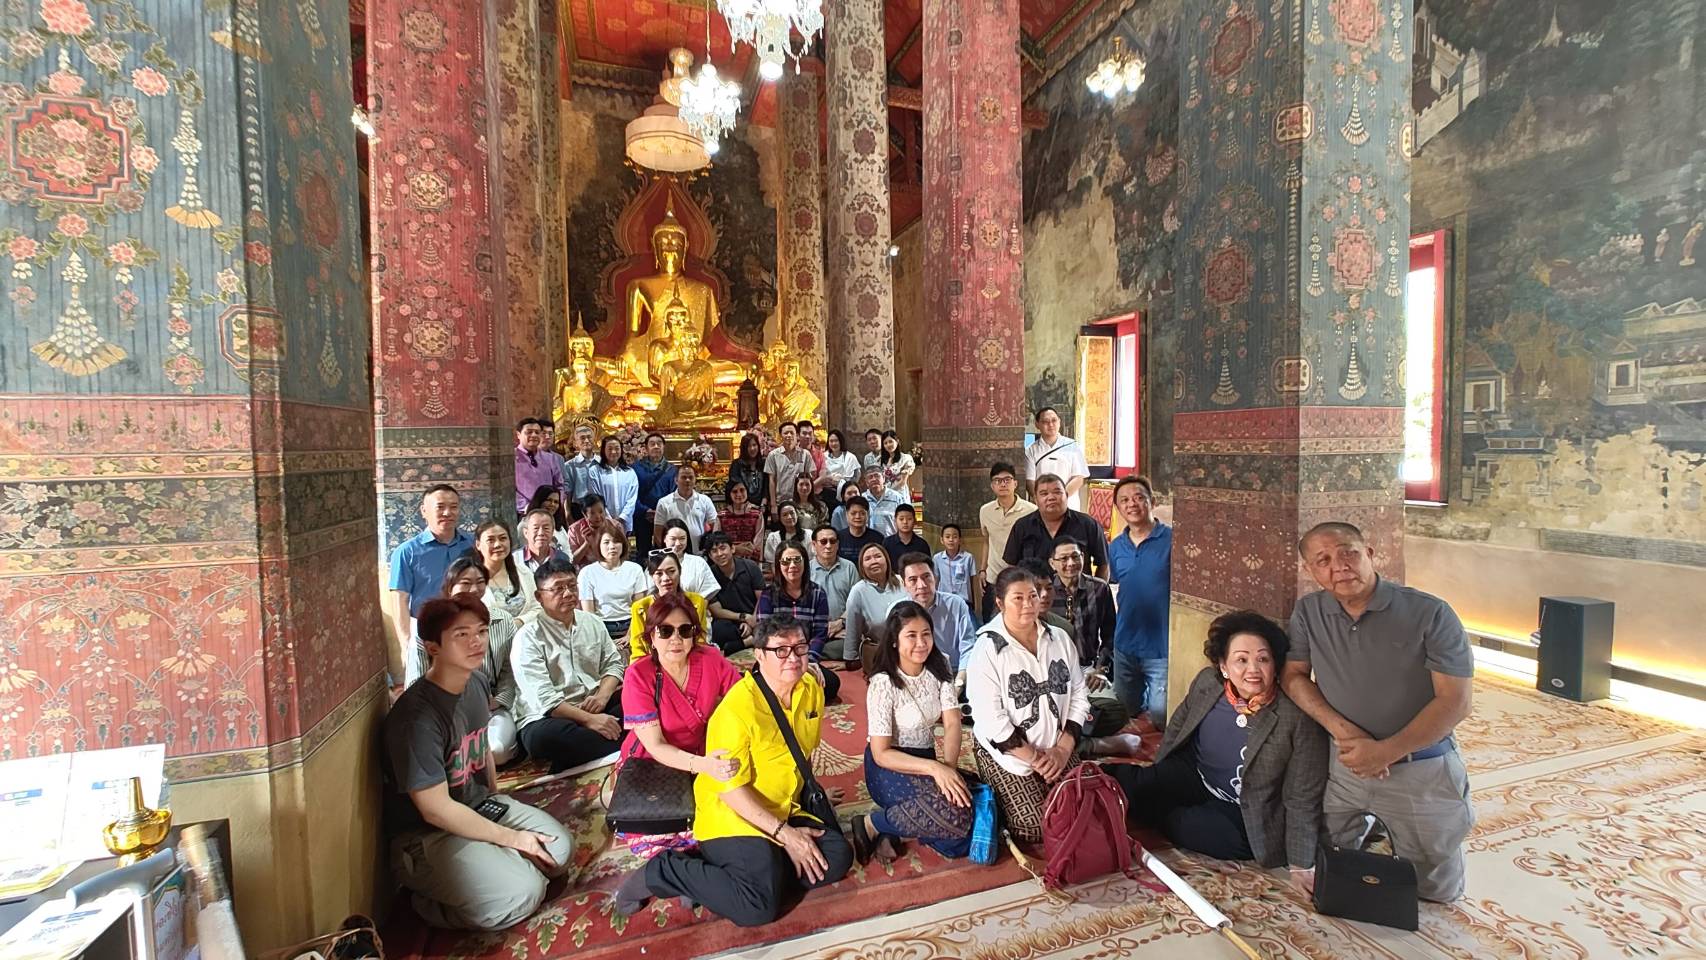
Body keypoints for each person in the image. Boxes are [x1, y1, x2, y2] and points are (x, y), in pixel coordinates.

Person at [612, 614, 853, 925]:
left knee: (837, 856)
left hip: (782, 806)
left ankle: (740, 876)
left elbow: (802, 755)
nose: (793, 658)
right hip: (732, 816)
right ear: (759, 655)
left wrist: (809, 795)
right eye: (781, 650)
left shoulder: (810, 689)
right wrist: (787, 836)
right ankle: (664, 870)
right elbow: (731, 792)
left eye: (800, 648)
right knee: (758, 907)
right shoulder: (736, 711)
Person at [1283, 522, 1475, 902]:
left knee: (1434, 888)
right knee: (1334, 863)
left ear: (1369, 554)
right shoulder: (1309, 612)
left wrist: (1386, 751)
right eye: (1323, 560)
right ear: (1310, 570)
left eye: (1348, 553)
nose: (1339, 566)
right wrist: (1344, 732)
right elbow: (1293, 676)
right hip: (1346, 762)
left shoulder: (1430, 613)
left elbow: (1456, 701)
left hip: (1420, 768)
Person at [383, 594, 572, 930]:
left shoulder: (476, 682)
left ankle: (493, 861)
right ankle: (426, 903)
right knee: (524, 893)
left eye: (482, 631)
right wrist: (512, 838)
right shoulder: (416, 719)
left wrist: (498, 798)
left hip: (477, 805)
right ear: (432, 647)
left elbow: (480, 744)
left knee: (559, 854)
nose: (477, 642)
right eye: (462, 634)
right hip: (428, 833)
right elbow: (435, 810)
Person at [1112, 610, 1328, 891]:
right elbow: (1179, 724)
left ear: (1275, 664)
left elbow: (1303, 795)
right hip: (1197, 774)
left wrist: (1301, 864)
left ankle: (1158, 812)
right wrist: (1160, 771)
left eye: (1263, 659)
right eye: (1242, 660)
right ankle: (1102, 789)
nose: (1253, 669)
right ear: (1224, 666)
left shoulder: (1297, 717)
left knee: (1209, 833)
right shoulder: (1208, 683)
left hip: (1245, 809)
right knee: (1130, 783)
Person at [965, 566, 1090, 845]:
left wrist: (1062, 749)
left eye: (1033, 596)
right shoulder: (987, 649)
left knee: (1083, 809)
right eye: (1018, 598)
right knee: (1035, 826)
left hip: (1057, 746)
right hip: (1010, 753)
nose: (1028, 604)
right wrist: (1034, 759)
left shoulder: (1059, 638)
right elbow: (991, 720)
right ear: (1000, 603)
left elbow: (1079, 694)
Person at [612, 593, 745, 855]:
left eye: (685, 630)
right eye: (665, 631)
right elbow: (656, 745)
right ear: (651, 637)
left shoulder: (710, 659)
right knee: (665, 833)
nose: (676, 639)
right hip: (653, 762)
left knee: (734, 819)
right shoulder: (638, 675)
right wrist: (705, 766)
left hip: (702, 753)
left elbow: (744, 698)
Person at [853, 601, 973, 864]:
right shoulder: (883, 683)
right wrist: (935, 769)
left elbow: (952, 724)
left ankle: (887, 826)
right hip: (889, 767)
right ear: (894, 641)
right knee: (958, 823)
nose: (921, 643)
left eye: (926, 634)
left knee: (964, 808)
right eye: (911, 635)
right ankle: (872, 823)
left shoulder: (940, 665)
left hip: (926, 758)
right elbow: (881, 753)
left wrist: (948, 769)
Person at [511, 560, 626, 773]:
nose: (568, 593)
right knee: (543, 739)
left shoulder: (592, 622)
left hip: (593, 702)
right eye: (558, 588)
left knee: (641, 698)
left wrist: (602, 697)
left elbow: (614, 664)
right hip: (551, 716)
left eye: (572, 586)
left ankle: (593, 745)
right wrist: (590, 720)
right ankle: (625, 739)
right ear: (539, 596)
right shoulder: (527, 636)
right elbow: (545, 700)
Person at [388, 484, 475, 687]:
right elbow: (400, 599)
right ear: (424, 511)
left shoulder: (472, 544)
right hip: (425, 633)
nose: (447, 513)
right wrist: (406, 643)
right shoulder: (406, 552)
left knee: (467, 687)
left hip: (467, 628)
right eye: (440, 507)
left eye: (453, 507)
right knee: (423, 691)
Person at [1106, 475, 1173, 726]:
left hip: (1160, 647)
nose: (1131, 504)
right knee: (1124, 711)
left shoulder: (1172, 540)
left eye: (1138, 498)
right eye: (1124, 500)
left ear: (1152, 501)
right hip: (1126, 642)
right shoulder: (1116, 546)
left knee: (1161, 716)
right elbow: (1117, 583)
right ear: (1118, 508)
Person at [442, 558, 522, 765]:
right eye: (465, 583)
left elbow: (510, 672)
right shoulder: (432, 625)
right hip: (446, 712)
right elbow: (417, 681)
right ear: (450, 586)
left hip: (492, 708)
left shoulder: (502, 620)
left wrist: (497, 701)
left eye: (480, 582)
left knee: (496, 751)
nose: (474, 589)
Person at [755, 540, 840, 703]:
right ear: (778, 565)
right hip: (777, 656)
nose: (792, 565)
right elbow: (763, 634)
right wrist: (785, 658)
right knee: (760, 683)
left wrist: (808, 661)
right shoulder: (768, 594)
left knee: (831, 684)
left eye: (797, 560)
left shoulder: (818, 593)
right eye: (786, 561)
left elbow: (819, 634)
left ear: (805, 563)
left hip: (803, 655)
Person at [1003, 473, 1108, 578]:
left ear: (1066, 495)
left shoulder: (1089, 525)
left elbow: (1103, 565)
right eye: (1044, 494)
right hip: (1034, 588)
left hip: (1077, 588)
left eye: (1057, 492)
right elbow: (1011, 567)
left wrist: (1095, 588)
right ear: (1036, 499)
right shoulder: (1022, 526)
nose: (1051, 497)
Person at [897, 553, 978, 676]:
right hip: (914, 674)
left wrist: (961, 679)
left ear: (935, 578)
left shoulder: (956, 604)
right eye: (913, 580)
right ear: (904, 584)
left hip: (954, 672)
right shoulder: (897, 610)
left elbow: (968, 645)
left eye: (926, 577)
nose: (922, 585)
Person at [978, 462, 1037, 621]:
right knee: (990, 621)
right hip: (993, 577)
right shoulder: (985, 511)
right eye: (998, 481)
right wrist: (982, 570)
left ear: (1015, 483)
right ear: (992, 486)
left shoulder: (1031, 510)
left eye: (1007, 480)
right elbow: (986, 540)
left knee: (1020, 620)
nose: (1003, 484)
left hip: (1021, 577)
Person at [627, 550, 712, 660]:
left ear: (680, 571)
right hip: (652, 662)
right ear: (652, 576)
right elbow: (638, 649)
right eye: (659, 573)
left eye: (671, 571)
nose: (666, 578)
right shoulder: (640, 607)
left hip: (690, 660)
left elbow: (700, 640)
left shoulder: (696, 601)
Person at [1049, 539, 1115, 675]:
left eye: (1075, 556)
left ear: (1083, 557)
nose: (1071, 563)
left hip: (1089, 666)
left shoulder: (1100, 588)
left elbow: (1111, 633)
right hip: (1053, 668)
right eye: (1063, 558)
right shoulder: (1045, 591)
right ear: (1052, 563)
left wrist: (1101, 667)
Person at [845, 542, 907, 673]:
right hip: (880, 656)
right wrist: (851, 659)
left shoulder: (903, 581)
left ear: (886, 560)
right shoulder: (858, 591)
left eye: (878, 556)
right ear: (862, 566)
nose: (874, 561)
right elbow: (853, 628)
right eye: (868, 559)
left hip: (910, 651)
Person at [580, 528, 650, 640]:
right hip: (601, 626)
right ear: (598, 545)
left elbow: (639, 608)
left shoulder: (635, 569)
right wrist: (604, 640)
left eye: (616, 541)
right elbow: (589, 614)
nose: (612, 546)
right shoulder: (587, 572)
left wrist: (629, 635)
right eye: (606, 542)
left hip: (631, 624)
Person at [705, 532, 766, 654]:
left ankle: (740, 644)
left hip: (756, 616)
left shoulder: (750, 566)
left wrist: (752, 620)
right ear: (710, 556)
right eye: (714, 551)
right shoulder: (709, 575)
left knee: (771, 626)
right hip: (732, 620)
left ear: (732, 549)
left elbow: (762, 598)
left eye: (723, 548)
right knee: (717, 630)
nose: (720, 554)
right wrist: (743, 618)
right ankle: (750, 640)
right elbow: (716, 611)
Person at [808, 526, 859, 662]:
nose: (828, 546)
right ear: (814, 545)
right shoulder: (805, 570)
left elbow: (856, 603)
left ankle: (812, 653)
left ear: (838, 544)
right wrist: (821, 628)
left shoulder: (849, 567)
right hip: (813, 630)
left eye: (832, 541)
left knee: (854, 644)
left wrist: (841, 622)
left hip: (842, 630)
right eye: (823, 541)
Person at [1025, 407, 1089, 513]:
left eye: (1054, 420)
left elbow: (1079, 478)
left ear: (1059, 422)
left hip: (1069, 505)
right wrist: (1040, 499)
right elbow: (1030, 481)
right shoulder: (1031, 450)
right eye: (1045, 421)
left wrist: (1061, 497)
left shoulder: (1072, 446)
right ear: (1037, 424)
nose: (1050, 424)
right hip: (1043, 507)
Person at [473, 519, 537, 623]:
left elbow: (537, 607)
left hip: (526, 631)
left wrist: (520, 621)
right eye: (491, 540)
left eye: (503, 538)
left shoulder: (524, 572)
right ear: (478, 545)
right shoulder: (472, 579)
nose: (497, 544)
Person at [654, 461, 718, 552]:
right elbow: (658, 532)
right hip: (674, 553)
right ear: (676, 480)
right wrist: (667, 552)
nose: (687, 480)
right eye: (683, 477)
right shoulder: (664, 502)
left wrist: (711, 547)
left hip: (699, 553)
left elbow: (715, 526)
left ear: (695, 480)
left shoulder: (705, 500)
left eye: (691, 477)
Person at [633, 433, 677, 559]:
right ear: (646, 448)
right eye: (652, 444)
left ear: (664, 447)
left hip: (665, 517)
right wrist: (645, 510)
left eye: (659, 443)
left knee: (665, 551)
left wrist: (660, 512)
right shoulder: (636, 468)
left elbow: (674, 494)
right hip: (642, 517)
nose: (656, 446)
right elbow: (631, 494)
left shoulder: (672, 470)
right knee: (643, 553)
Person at [660, 520, 720, 602]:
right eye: (673, 539)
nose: (678, 543)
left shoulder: (698, 562)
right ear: (664, 539)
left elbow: (707, 595)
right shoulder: (656, 563)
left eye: (682, 539)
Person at [764, 421, 815, 517]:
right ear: (780, 436)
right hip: (780, 503)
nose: (789, 435)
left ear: (797, 435)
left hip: (800, 504)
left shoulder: (805, 455)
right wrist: (773, 505)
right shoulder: (773, 455)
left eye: (792, 433)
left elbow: (809, 479)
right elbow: (771, 481)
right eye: (785, 433)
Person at [591, 435, 639, 534]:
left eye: (617, 448)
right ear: (603, 451)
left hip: (623, 523)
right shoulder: (594, 471)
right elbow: (596, 497)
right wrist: (608, 519)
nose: (613, 452)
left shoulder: (630, 472)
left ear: (621, 450)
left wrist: (622, 518)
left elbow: (632, 499)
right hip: (602, 522)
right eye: (610, 449)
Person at [514, 418, 560, 517]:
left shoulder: (550, 458)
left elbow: (559, 484)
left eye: (537, 432)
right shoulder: (511, 458)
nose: (534, 435)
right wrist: (527, 507)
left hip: (550, 511)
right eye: (529, 432)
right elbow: (509, 489)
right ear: (518, 434)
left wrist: (555, 503)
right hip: (524, 512)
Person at [566, 493, 625, 568]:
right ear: (584, 514)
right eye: (592, 513)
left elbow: (623, 554)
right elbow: (573, 560)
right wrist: (586, 543)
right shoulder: (574, 530)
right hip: (586, 570)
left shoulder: (616, 526)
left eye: (601, 512)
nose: (598, 517)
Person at [932, 523, 978, 611]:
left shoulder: (968, 558)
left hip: (964, 601)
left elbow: (973, 582)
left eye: (955, 537)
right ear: (942, 540)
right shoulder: (937, 558)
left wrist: (975, 605)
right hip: (944, 601)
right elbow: (936, 581)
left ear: (960, 540)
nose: (951, 540)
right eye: (947, 537)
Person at [718, 479, 765, 562]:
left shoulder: (757, 514)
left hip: (751, 560)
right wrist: (735, 549)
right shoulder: (721, 515)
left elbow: (759, 542)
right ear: (729, 494)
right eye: (734, 491)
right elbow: (717, 540)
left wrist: (750, 552)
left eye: (742, 490)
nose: (739, 494)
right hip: (728, 560)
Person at [727, 433, 769, 522]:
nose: (752, 448)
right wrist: (748, 505)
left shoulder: (763, 463)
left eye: (754, 445)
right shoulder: (736, 464)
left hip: (762, 508)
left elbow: (766, 486)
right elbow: (736, 486)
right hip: (742, 507)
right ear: (744, 448)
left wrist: (763, 504)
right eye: (748, 446)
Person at [513, 509, 569, 575]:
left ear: (552, 532)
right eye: (536, 528)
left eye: (546, 528)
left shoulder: (562, 558)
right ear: (526, 533)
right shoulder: (515, 559)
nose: (541, 533)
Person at [818, 429, 862, 510]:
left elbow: (856, 476)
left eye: (836, 441)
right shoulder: (823, 456)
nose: (834, 444)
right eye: (831, 441)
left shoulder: (850, 457)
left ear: (841, 441)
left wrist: (840, 481)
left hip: (846, 493)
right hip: (827, 494)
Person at [836, 495, 886, 564]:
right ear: (846, 515)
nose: (858, 517)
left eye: (862, 513)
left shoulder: (878, 538)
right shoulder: (838, 537)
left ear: (868, 514)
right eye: (853, 513)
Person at [524, 485, 572, 555]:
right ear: (540, 501)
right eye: (549, 500)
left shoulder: (559, 526)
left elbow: (568, 551)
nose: (552, 504)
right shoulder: (525, 525)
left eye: (556, 502)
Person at [860, 466, 906, 538]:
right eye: (870, 477)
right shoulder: (862, 499)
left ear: (883, 478)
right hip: (869, 542)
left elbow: (904, 520)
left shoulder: (897, 498)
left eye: (877, 476)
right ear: (866, 482)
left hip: (891, 541)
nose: (874, 479)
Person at [561, 422, 599, 506]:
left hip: (601, 507)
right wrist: (568, 512)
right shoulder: (569, 466)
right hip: (578, 507)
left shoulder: (603, 463)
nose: (586, 441)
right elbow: (567, 493)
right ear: (575, 443)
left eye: (589, 437)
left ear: (595, 440)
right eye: (582, 438)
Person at [882, 503, 930, 567]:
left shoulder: (922, 544)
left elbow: (927, 566)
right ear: (895, 521)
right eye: (901, 519)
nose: (905, 522)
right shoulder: (887, 543)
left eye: (909, 519)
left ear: (915, 521)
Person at [763, 502, 809, 567]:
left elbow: (811, 560)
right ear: (780, 518)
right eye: (785, 515)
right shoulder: (773, 537)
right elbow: (772, 563)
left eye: (792, 513)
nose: (789, 517)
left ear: (797, 514)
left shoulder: (808, 535)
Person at [876, 429, 915, 501]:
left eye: (890, 441)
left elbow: (902, 482)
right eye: (885, 443)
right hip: (884, 494)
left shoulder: (905, 459)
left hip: (899, 493)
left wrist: (888, 491)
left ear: (897, 442)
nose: (888, 445)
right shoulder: (879, 460)